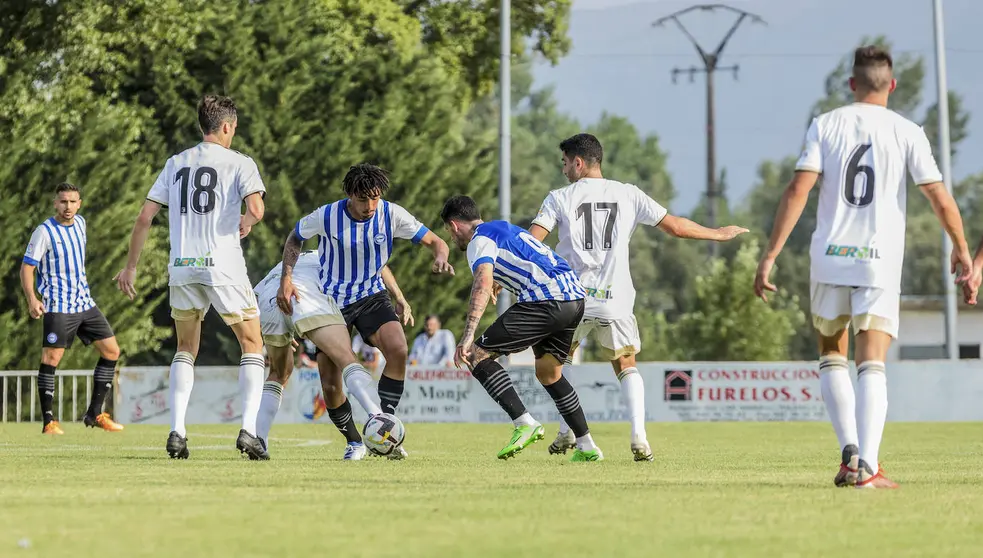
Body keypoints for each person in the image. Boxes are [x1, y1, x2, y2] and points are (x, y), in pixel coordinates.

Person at [753, 46, 975, 489]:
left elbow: (799, 189)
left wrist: (771, 253)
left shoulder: (826, 123)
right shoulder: (907, 130)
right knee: (871, 362)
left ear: (852, 84)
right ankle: (868, 467)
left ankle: (848, 452)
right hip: (877, 261)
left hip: (830, 257)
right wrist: (962, 248)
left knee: (831, 354)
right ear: (892, 85)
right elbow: (938, 196)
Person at [530, 133, 749, 461]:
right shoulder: (628, 194)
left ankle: (568, 430)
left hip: (571, 298)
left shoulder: (558, 197)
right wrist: (716, 234)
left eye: (564, 162)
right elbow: (674, 226)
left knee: (557, 363)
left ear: (578, 162)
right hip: (614, 300)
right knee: (626, 364)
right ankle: (639, 437)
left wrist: (503, 277)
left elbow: (533, 243)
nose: (563, 169)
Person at [115, 95, 269, 460]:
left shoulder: (176, 162)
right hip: (223, 264)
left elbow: (144, 217)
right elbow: (257, 209)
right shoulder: (239, 162)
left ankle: (177, 431)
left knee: (186, 348)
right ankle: (249, 430)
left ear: (203, 125)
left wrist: (131, 267)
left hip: (182, 265)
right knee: (252, 343)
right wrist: (247, 222)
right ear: (228, 126)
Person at [278, 163, 453, 459]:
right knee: (331, 384)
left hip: (371, 296)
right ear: (349, 194)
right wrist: (286, 278)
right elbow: (295, 237)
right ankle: (355, 442)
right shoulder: (327, 215)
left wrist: (440, 256)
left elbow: (436, 241)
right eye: (362, 199)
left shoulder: (391, 214)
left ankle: (383, 425)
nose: (370, 206)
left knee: (398, 348)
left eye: (375, 198)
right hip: (331, 302)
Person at [440, 194, 603, 462]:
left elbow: (481, 283)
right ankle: (587, 446)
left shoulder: (478, 242)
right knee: (550, 373)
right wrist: (501, 279)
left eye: (449, 231)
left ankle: (524, 423)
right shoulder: (504, 227)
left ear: (455, 225)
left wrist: (467, 336)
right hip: (574, 297)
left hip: (545, 299)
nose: (451, 237)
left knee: (475, 354)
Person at [253, 251, 412, 461]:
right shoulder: (324, 258)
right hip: (315, 302)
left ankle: (258, 438)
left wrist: (398, 296)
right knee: (333, 379)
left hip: (279, 300)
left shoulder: (289, 264)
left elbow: (378, 266)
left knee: (280, 372)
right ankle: (361, 437)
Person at [21, 183, 124, 435]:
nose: (68, 207)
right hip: (58, 305)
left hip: (84, 302)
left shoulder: (81, 223)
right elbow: (27, 267)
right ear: (55, 203)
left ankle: (95, 413)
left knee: (111, 351)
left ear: (80, 203)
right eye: (63, 202)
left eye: (73, 202)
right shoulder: (44, 232)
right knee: (52, 358)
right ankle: (49, 421)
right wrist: (32, 299)